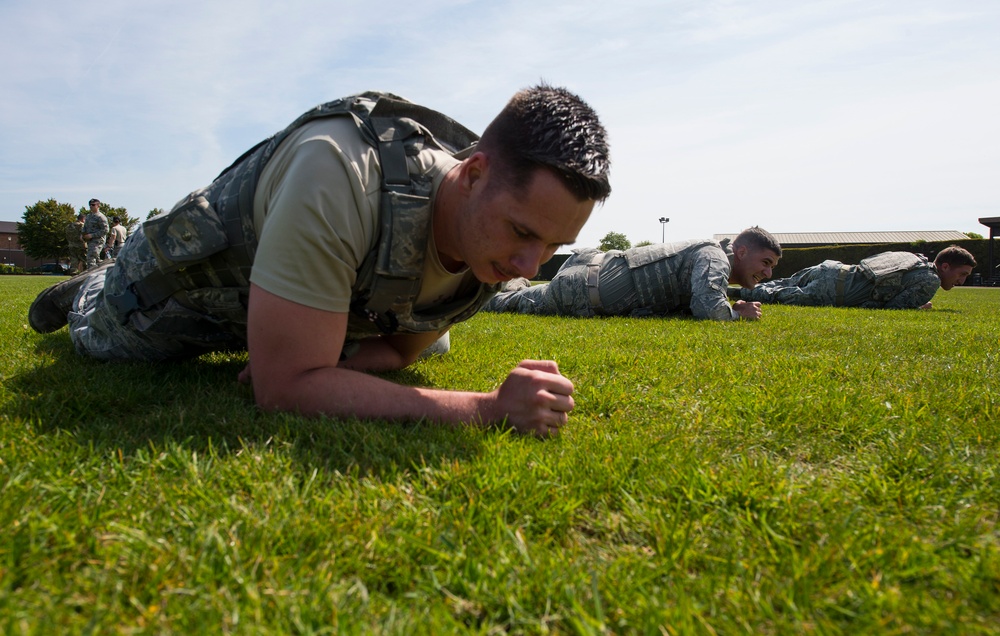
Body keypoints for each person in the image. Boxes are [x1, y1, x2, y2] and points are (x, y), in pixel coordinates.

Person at [28, 86, 611, 437]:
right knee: (107, 337)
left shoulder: (486, 238)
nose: (529, 266)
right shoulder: (340, 172)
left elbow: (402, 346)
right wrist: (484, 410)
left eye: (551, 248)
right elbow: (282, 392)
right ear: (475, 173)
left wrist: (328, 371)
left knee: (433, 345)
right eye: (522, 233)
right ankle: (91, 288)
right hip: (182, 288)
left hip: (287, 302)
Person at [483, 227, 782, 321]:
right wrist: (738, 314)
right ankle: (490, 281)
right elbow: (708, 307)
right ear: (741, 252)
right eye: (765, 262)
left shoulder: (711, 256)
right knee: (499, 303)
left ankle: (516, 283)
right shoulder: (714, 256)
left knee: (521, 296)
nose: (767, 273)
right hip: (581, 291)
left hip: (590, 278)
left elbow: (704, 297)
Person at [730, 246, 976, 309]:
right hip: (835, 289)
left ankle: (730, 286)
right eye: (961, 274)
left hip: (831, 269)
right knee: (777, 294)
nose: (962, 281)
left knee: (780, 283)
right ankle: (732, 292)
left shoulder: (914, 258)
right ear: (944, 266)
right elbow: (894, 308)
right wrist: (920, 307)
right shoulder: (930, 279)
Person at [81, 198, 109, 269]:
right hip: (90, 241)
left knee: (91, 258)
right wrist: (83, 235)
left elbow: (105, 230)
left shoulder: (101, 217)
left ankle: (90, 276)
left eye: (93, 205)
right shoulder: (88, 216)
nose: (91, 206)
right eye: (90, 205)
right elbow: (85, 227)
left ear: (98, 206)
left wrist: (92, 235)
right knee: (96, 259)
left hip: (97, 241)